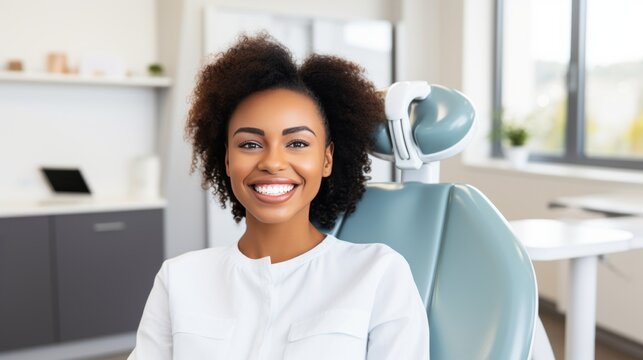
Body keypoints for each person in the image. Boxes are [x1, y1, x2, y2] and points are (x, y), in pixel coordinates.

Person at [128, 33, 429, 360]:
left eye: (297, 143)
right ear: (228, 160)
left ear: (326, 159)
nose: (272, 162)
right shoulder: (180, 279)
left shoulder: (378, 273)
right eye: (250, 144)